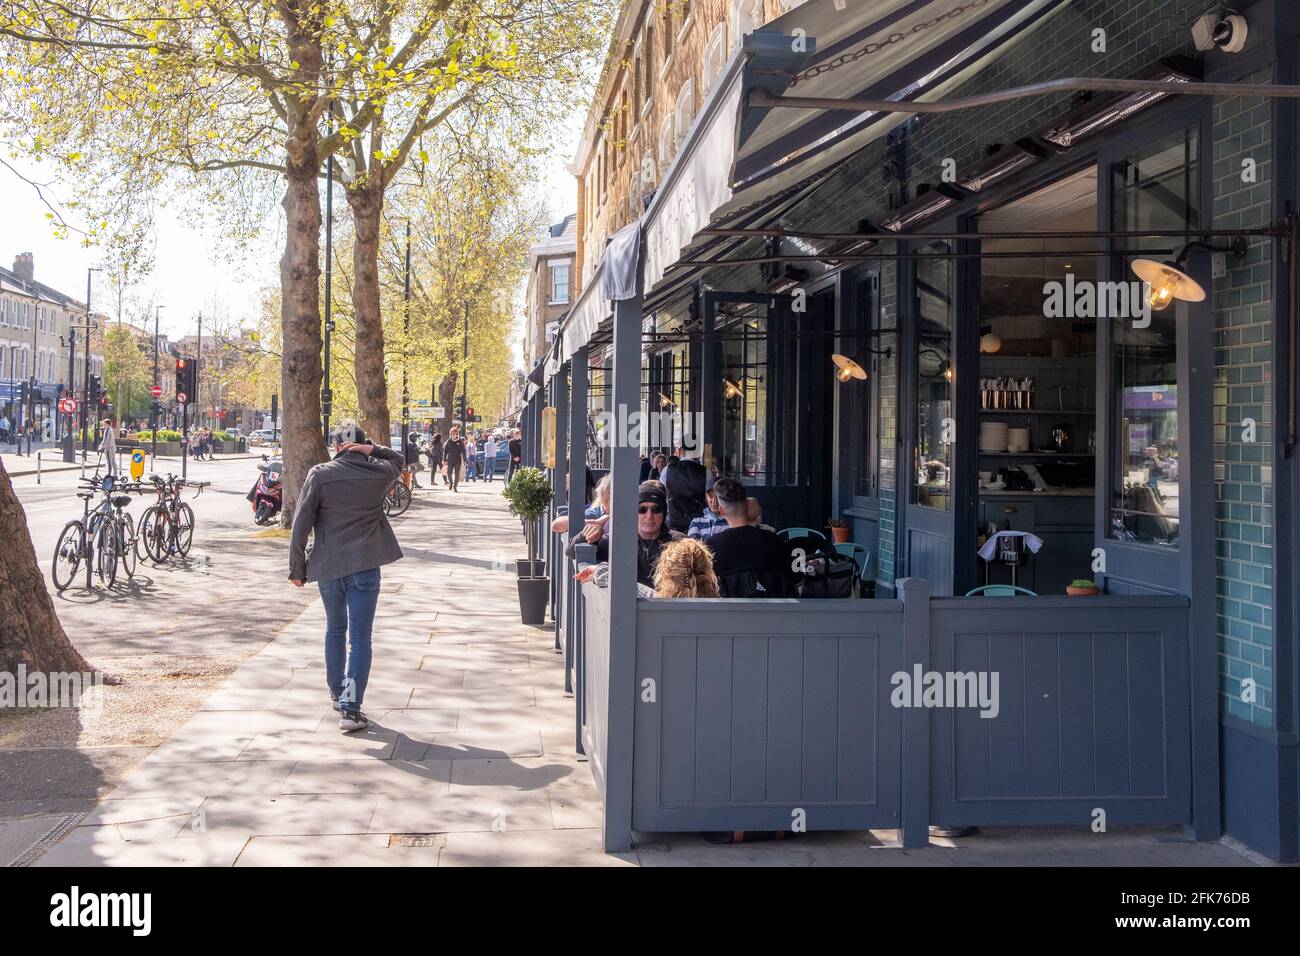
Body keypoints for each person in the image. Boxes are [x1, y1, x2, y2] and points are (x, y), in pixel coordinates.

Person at [289, 422, 404, 733]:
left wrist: (297, 569)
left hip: (328, 566)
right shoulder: (377, 473)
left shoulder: (320, 474)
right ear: (361, 445)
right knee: (361, 638)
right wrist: (372, 450)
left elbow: (301, 524)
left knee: (335, 630)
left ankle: (337, 693)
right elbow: (398, 460)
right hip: (365, 565)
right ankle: (351, 710)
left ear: (336, 445)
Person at [706, 477, 796, 598]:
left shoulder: (712, 546)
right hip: (773, 613)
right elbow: (791, 583)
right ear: (748, 505)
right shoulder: (774, 541)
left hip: (728, 614)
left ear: (721, 511)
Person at [662, 446, 708, 534]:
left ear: (681, 450)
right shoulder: (706, 471)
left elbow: (663, 496)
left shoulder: (667, 470)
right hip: (699, 525)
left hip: (673, 522)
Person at [687, 473, 728, 540]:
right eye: (710, 496)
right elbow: (694, 547)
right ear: (706, 498)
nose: (714, 501)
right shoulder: (697, 522)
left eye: (718, 496)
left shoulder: (733, 522)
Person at [443, 426, 467, 492]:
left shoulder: (460, 441)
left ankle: (455, 486)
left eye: (453, 433)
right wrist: (444, 459)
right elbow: (445, 451)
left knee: (457, 474)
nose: (452, 435)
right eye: (451, 434)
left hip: (457, 460)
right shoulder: (449, 441)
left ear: (456, 434)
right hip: (450, 459)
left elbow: (463, 451)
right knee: (449, 473)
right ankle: (451, 482)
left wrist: (465, 460)